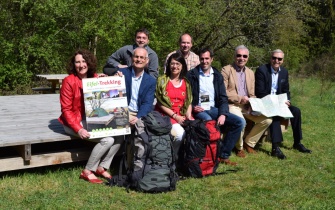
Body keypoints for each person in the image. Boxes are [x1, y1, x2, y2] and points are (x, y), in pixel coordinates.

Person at [58, 49, 122, 184]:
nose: (81, 65)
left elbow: (109, 92)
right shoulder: (68, 81)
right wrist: (78, 129)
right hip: (73, 122)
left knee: (121, 134)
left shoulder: (95, 78)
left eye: (84, 61)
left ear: (89, 62)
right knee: (108, 140)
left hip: (90, 119)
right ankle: (87, 171)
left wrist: (115, 79)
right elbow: (66, 110)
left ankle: (102, 167)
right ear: (73, 64)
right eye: (77, 62)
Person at [186, 47, 245, 166]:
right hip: (199, 109)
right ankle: (210, 154)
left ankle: (223, 154)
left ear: (212, 59)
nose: (204, 61)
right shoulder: (191, 74)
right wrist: (192, 106)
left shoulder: (217, 75)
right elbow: (186, 96)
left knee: (239, 122)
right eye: (202, 59)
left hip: (213, 108)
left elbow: (223, 97)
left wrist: (223, 114)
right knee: (208, 122)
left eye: (207, 58)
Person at [255, 49, 312, 159]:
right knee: (275, 114)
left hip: (279, 102)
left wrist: (287, 100)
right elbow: (260, 92)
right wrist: (277, 101)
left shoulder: (284, 72)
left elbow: (286, 90)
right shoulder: (261, 70)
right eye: (274, 58)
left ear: (283, 60)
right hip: (265, 102)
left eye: (279, 59)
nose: (276, 60)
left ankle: (297, 142)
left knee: (296, 111)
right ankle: (275, 147)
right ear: (270, 58)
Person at [222, 45, 272, 157]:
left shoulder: (250, 72)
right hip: (232, 105)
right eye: (239, 55)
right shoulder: (226, 70)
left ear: (248, 58)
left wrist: (252, 103)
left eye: (244, 56)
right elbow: (223, 92)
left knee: (267, 120)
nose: (241, 58)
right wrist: (240, 98)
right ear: (234, 56)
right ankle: (239, 148)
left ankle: (249, 143)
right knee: (241, 121)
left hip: (247, 106)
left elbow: (252, 94)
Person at [155, 52, 193, 154]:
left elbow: (188, 101)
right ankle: (172, 157)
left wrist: (189, 116)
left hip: (182, 115)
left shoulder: (186, 82)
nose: (175, 66)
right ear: (168, 65)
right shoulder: (162, 81)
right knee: (180, 134)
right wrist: (176, 117)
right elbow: (160, 103)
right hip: (165, 115)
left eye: (178, 64)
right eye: (172, 63)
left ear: (182, 66)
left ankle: (186, 159)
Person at [112, 47, 156, 125]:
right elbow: (112, 93)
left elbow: (147, 103)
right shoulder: (121, 74)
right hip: (123, 112)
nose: (139, 60)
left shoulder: (151, 81)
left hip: (140, 114)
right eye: (136, 57)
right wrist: (114, 80)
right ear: (132, 58)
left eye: (142, 57)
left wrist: (138, 117)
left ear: (147, 61)